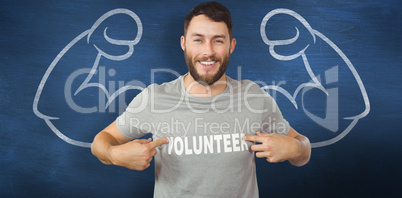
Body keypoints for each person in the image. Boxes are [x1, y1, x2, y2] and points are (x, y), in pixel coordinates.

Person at [91, 1, 311, 197]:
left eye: (218, 41)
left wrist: (297, 149)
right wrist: (114, 154)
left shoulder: (255, 98)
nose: (208, 52)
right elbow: (101, 141)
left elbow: (303, 150)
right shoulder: (153, 98)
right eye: (198, 40)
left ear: (231, 46)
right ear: (184, 43)